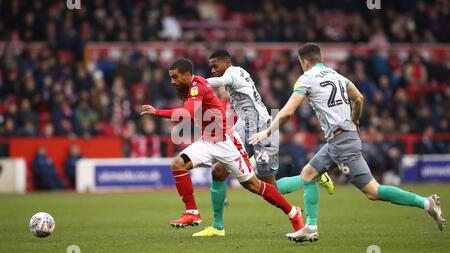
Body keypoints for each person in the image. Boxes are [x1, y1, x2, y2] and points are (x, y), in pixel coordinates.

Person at [251, 43, 445, 242]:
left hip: (341, 143)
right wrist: (355, 119)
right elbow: (359, 98)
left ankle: (426, 203)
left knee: (373, 191)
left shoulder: (306, 78)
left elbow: (288, 111)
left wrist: (267, 130)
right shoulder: (336, 75)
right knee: (308, 175)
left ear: (305, 62)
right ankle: (310, 226)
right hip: (340, 139)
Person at [140, 58, 304, 236]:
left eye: (175, 77)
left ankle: (293, 213)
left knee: (253, 184)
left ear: (187, 75)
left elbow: (186, 113)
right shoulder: (185, 88)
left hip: (226, 142)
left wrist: (156, 112)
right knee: (178, 164)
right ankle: (192, 213)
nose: (172, 82)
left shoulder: (197, 86)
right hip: (207, 141)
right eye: (171, 77)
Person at [191, 50, 334, 237]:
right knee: (218, 170)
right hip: (244, 126)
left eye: (215, 66)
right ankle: (218, 227)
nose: (213, 70)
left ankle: (313, 176)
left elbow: (219, 82)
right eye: (211, 67)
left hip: (263, 128)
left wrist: (194, 82)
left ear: (226, 63)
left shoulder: (234, 73)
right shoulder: (234, 77)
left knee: (270, 188)